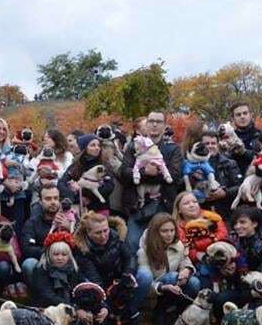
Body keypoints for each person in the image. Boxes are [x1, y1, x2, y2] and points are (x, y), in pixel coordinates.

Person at [72, 212, 151, 325]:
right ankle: (107, 313)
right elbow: (94, 278)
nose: (103, 235)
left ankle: (129, 311)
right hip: (98, 283)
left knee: (145, 276)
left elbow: (130, 257)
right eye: (98, 233)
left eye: (105, 230)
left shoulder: (118, 236)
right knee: (89, 286)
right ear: (88, 233)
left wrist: (127, 273)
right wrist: (108, 300)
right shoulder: (82, 249)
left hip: (120, 277)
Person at [118, 112, 183, 252]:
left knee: (161, 249)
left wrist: (148, 174)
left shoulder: (173, 149)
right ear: (146, 125)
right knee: (133, 246)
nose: (154, 124)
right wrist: (144, 172)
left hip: (162, 206)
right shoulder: (133, 146)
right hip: (137, 207)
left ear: (165, 126)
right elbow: (123, 173)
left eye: (159, 122)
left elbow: (175, 176)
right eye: (151, 121)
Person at [137, 212, 200, 325]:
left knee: (195, 282)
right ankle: (156, 311)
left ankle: (178, 313)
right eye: (164, 231)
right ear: (155, 232)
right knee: (170, 277)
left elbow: (185, 261)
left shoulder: (178, 245)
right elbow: (144, 279)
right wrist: (162, 287)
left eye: (172, 230)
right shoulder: (145, 249)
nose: (169, 234)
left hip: (173, 286)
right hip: (154, 290)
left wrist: (186, 270)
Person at [58, 133, 116, 215]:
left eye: (98, 145)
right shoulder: (75, 166)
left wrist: (85, 193)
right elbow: (61, 183)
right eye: (93, 145)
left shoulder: (103, 166)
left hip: (99, 209)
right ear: (84, 148)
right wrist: (76, 197)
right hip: (78, 210)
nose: (97, 148)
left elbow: (109, 187)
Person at [20, 183, 63, 284]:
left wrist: (69, 227)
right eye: (48, 199)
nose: (53, 202)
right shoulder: (32, 223)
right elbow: (27, 249)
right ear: (40, 202)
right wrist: (51, 253)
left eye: (56, 198)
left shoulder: (70, 220)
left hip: (66, 262)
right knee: (29, 264)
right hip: (43, 262)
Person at [173, 191, 228, 266]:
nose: (192, 205)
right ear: (179, 210)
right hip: (199, 261)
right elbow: (187, 249)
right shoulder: (177, 227)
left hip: (221, 249)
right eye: (186, 203)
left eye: (195, 202)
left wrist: (197, 244)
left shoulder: (210, 215)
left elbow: (223, 233)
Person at [30, 235, 82, 308]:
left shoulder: (74, 270)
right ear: (49, 254)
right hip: (46, 308)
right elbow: (47, 295)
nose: (60, 258)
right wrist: (72, 306)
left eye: (64, 255)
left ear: (69, 256)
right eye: (56, 254)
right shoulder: (41, 270)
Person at [198, 129, 242, 217]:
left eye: (213, 143)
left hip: (226, 212)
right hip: (201, 212)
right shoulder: (192, 164)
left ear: (218, 145)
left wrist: (225, 193)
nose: (210, 146)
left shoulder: (229, 163)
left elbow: (240, 186)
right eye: (207, 143)